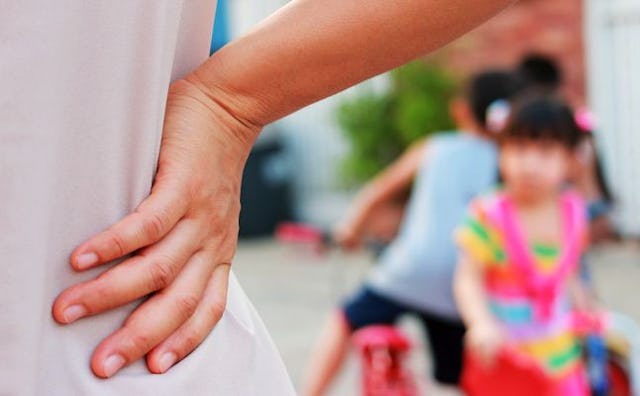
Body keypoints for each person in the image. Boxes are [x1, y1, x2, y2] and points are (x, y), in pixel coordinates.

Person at [2, 0, 515, 394]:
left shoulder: (443, 150)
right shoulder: (459, 154)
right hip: (134, 339)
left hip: (118, 343)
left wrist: (231, 103)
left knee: (352, 320)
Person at [302, 70, 523, 395]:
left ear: (460, 110)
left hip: (409, 271)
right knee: (464, 371)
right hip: (460, 284)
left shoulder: (434, 147)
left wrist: (351, 228)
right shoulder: (509, 163)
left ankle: (310, 392)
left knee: (344, 319)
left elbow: (379, 190)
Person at [454, 95, 594, 395]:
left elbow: (567, 270)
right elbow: (468, 277)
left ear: (570, 159)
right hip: (506, 361)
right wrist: (480, 323)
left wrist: (585, 306)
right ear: (501, 151)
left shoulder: (573, 211)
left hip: (562, 358)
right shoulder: (489, 214)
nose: (529, 163)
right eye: (518, 148)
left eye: (545, 151)